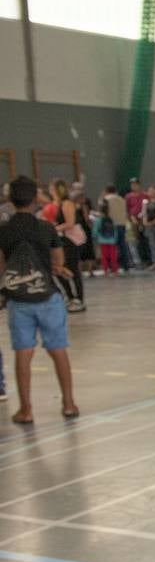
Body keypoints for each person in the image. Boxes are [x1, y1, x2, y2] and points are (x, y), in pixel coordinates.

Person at [0, 176, 79, 423]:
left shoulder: (3, 230)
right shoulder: (46, 228)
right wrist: (55, 267)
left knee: (23, 353)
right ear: (36, 199)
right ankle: (68, 404)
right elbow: (58, 261)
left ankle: (26, 410)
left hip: (18, 300)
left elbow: (1, 265)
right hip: (47, 297)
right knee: (58, 350)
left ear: (10, 200)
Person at [48, 180, 86, 311]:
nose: (50, 191)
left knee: (72, 269)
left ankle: (79, 299)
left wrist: (54, 228)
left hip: (70, 240)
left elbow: (70, 222)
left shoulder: (67, 203)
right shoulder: (56, 204)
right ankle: (69, 297)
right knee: (59, 269)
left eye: (52, 188)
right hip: (60, 239)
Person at [93, 199, 119, 276]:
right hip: (112, 240)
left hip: (102, 240)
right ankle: (114, 269)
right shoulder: (111, 218)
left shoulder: (98, 219)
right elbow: (115, 229)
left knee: (104, 256)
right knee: (113, 255)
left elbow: (95, 230)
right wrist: (115, 238)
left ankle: (105, 269)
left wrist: (94, 237)